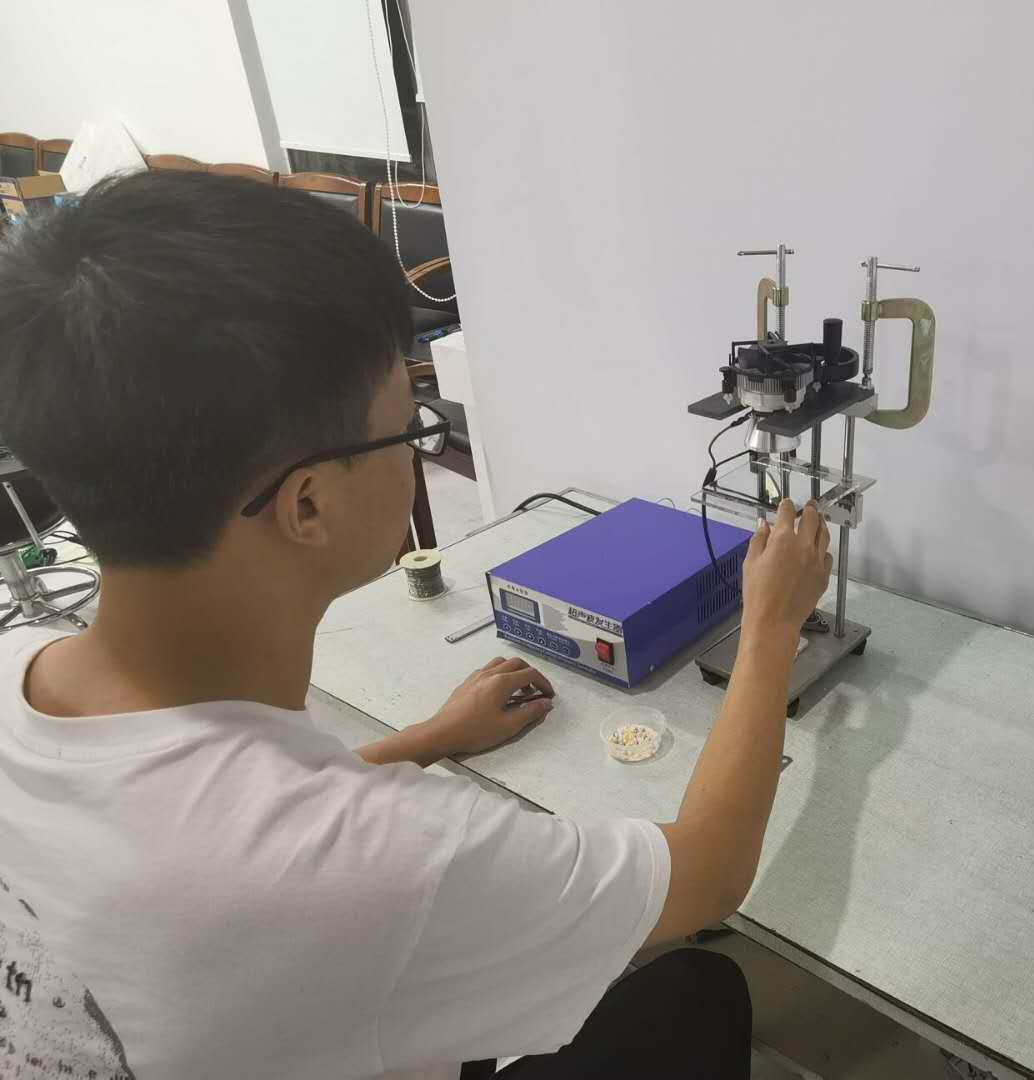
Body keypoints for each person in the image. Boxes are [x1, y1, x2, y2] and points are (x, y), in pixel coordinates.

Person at [0, 171, 832, 1079]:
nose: (420, 450)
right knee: (700, 990)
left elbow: (209, 825)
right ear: (308, 505)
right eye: (410, 430)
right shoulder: (387, 858)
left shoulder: (19, 667)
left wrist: (427, 739)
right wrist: (768, 624)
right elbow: (708, 874)